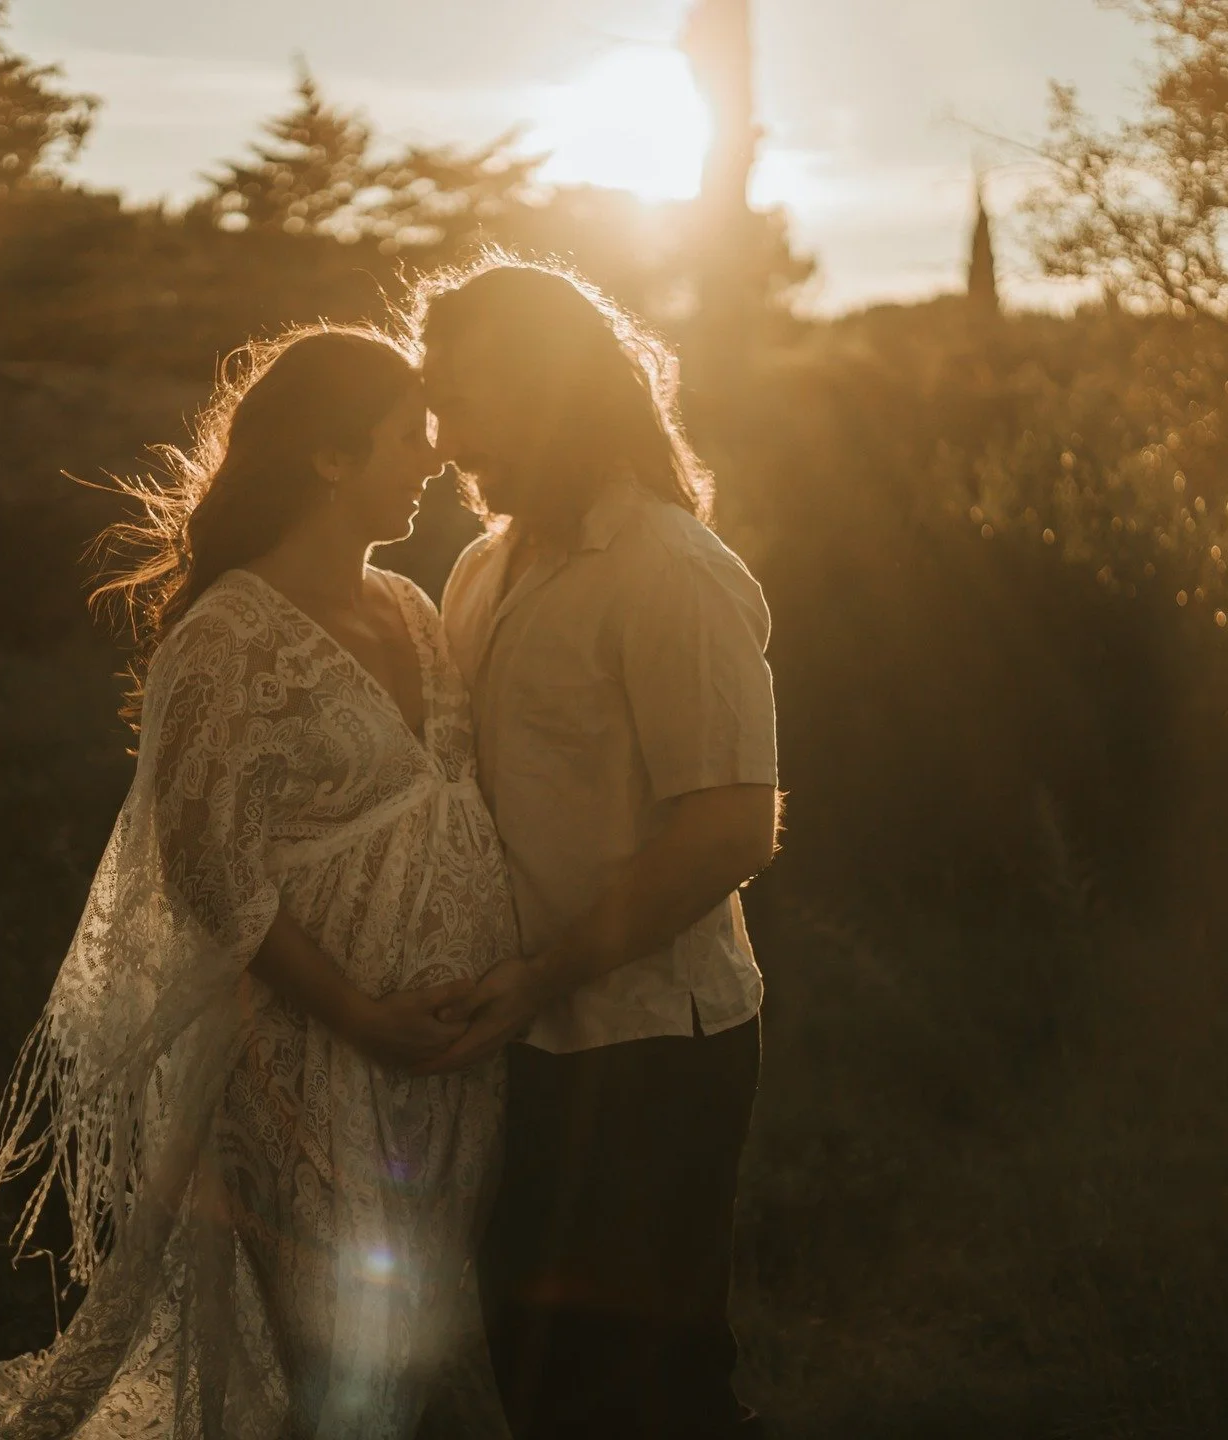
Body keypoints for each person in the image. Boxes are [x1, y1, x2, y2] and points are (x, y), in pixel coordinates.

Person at [0, 326, 520, 1440]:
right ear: (326, 455)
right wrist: (366, 1015)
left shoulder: (416, 610)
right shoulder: (224, 638)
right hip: (303, 1071)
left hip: (451, 1075)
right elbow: (211, 876)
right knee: (342, 1384)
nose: (430, 460)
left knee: (430, 1373)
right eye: (404, 437)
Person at [414, 261, 781, 1439]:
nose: (447, 437)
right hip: (519, 1043)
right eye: (437, 404)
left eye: (469, 401)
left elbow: (730, 825)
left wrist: (544, 974)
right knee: (539, 1376)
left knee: (654, 1396)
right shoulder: (481, 566)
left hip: (648, 1054)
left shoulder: (673, 571)